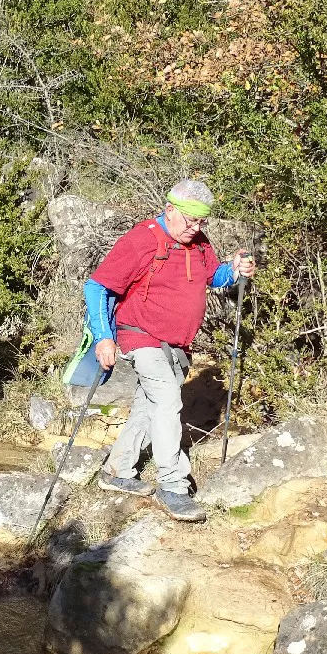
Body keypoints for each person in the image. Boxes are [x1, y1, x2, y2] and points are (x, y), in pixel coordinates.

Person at [82, 178, 257, 522]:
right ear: (170, 211)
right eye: (191, 220)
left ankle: (116, 471)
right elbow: (97, 286)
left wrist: (234, 270)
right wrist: (103, 336)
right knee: (167, 400)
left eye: (202, 222)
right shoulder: (142, 239)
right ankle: (173, 486)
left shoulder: (199, 243)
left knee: (149, 406)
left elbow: (214, 278)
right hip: (139, 334)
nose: (196, 228)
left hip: (176, 344)